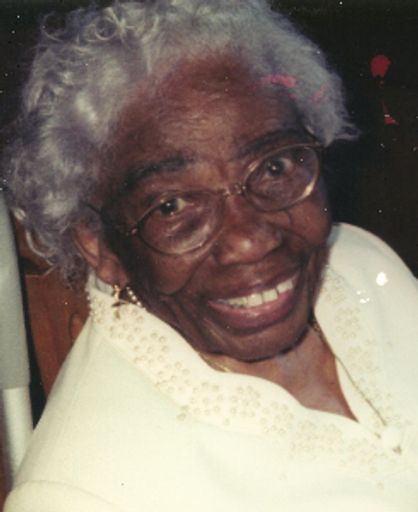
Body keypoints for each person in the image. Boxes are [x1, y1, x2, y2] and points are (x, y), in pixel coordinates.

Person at [2, 1, 418, 510]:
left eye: (274, 167)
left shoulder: (359, 262)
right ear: (100, 246)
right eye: (172, 206)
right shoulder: (81, 495)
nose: (250, 240)